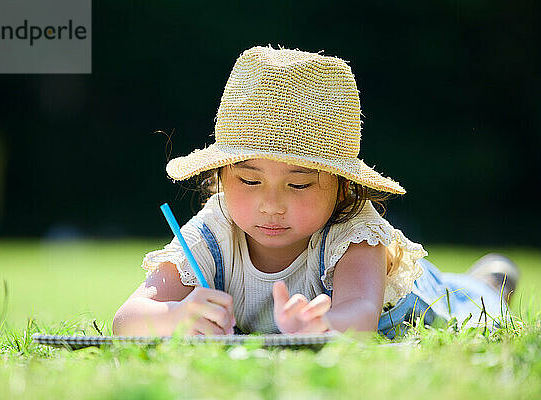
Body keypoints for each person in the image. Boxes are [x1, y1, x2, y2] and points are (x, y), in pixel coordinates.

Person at [113, 46, 519, 338]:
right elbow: (126, 319)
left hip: (418, 299)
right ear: (221, 176)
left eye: (300, 183)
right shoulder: (214, 232)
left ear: (342, 188)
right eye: (249, 181)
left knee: (469, 303)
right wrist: (178, 315)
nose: (271, 204)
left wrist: (321, 326)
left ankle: (490, 284)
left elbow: (360, 315)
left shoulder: (352, 229)